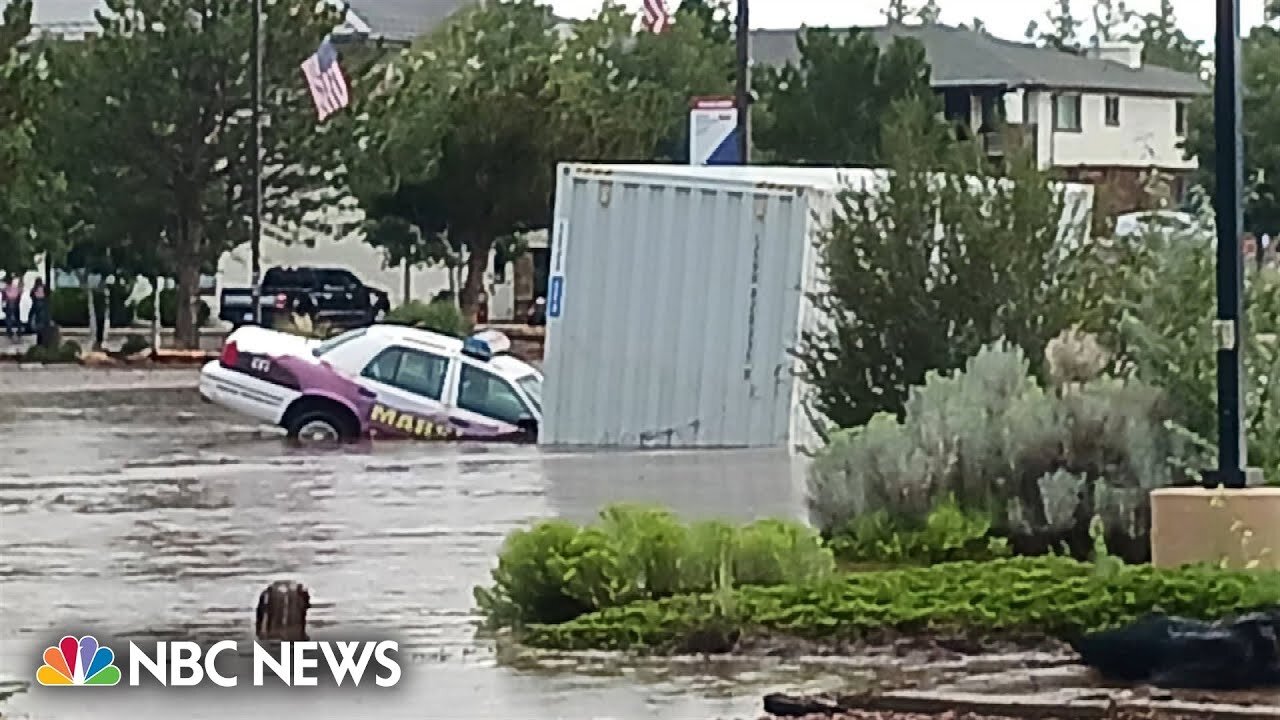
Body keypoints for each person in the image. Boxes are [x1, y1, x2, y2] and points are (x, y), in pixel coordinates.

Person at [3, 275, 22, 340]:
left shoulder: (6, 288)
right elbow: (19, 294)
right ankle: (19, 331)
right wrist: (18, 301)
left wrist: (4, 306)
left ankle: (9, 331)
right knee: (17, 317)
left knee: (8, 318)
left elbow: (4, 298)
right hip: (16, 302)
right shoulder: (15, 287)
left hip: (9, 302)